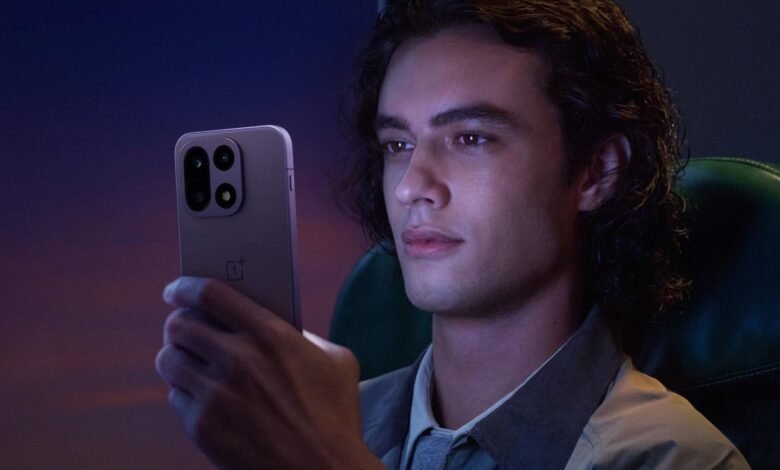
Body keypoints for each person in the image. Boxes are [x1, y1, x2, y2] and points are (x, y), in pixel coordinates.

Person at [156, 0, 750, 468]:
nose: (412, 185)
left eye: (470, 138)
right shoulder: (322, 420)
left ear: (596, 171)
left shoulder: (673, 457)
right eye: (398, 144)